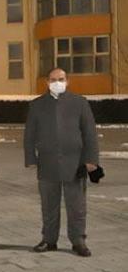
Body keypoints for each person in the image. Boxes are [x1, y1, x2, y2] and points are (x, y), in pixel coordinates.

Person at [24, 68, 99, 257]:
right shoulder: (37, 105)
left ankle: (78, 240)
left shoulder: (79, 103)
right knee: (49, 205)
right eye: (53, 79)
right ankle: (49, 240)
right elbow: (29, 134)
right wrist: (30, 158)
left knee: (77, 205)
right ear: (47, 83)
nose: (57, 82)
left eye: (61, 79)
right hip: (48, 163)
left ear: (67, 81)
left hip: (75, 163)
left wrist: (91, 160)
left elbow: (90, 133)